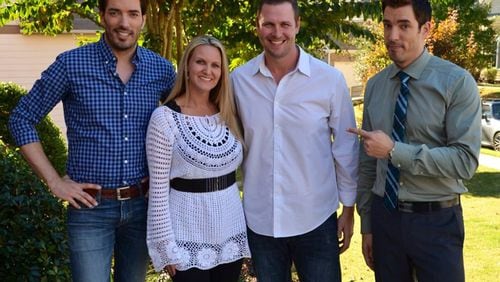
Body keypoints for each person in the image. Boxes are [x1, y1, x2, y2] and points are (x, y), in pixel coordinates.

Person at [8, 0, 176, 280]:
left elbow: (185, 123)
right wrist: (54, 181)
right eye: (115, 12)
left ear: (143, 19)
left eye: (133, 14)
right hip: (90, 211)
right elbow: (21, 118)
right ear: (102, 16)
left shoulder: (161, 70)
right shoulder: (71, 65)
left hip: (142, 206)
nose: (124, 22)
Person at [348, 0, 481, 281]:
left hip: (437, 223)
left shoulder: (457, 83)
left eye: (404, 25)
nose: (392, 35)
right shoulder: (376, 85)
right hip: (385, 220)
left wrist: (396, 151)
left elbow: (465, 161)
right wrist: (368, 225)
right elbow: (368, 164)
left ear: (426, 29)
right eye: (387, 25)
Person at [231, 0, 359, 281]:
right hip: (260, 220)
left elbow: (346, 149)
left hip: (316, 218)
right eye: (269, 24)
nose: (277, 32)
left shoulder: (329, 80)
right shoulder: (238, 82)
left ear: (297, 25)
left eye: (285, 24)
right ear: (257, 26)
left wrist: (348, 209)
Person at [145, 35, 251, 282]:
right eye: (201, 62)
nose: (208, 70)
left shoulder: (229, 113)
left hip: (230, 233)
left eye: (215, 65)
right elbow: (158, 190)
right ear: (187, 67)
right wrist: (165, 246)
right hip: (185, 237)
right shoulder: (164, 119)